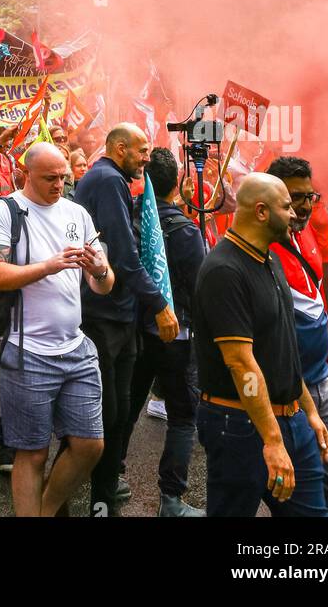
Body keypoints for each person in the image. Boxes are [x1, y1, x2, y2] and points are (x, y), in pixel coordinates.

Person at [0, 142, 113, 517]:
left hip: (76, 348)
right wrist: (49, 266)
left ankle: (46, 510)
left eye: (64, 177)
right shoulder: (4, 211)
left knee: (90, 445)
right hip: (28, 350)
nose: (59, 184)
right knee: (32, 451)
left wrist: (100, 270)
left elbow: (104, 284)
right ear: (26, 174)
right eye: (50, 178)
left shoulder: (78, 213)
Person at [192, 172, 328, 517]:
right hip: (238, 425)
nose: (297, 213)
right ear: (261, 212)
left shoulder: (270, 259)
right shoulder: (224, 270)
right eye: (287, 206)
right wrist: (272, 439)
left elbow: (279, 350)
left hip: (291, 419)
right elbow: (241, 364)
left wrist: (309, 411)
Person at [74, 124, 179, 515]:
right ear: (120, 148)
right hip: (103, 315)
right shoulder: (106, 180)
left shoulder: (112, 178)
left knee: (117, 409)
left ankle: (102, 489)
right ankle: (80, 488)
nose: (147, 158)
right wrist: (159, 303)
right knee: (107, 411)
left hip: (119, 314)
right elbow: (122, 252)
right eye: (142, 150)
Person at [266, 156, 328, 515]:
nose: (303, 206)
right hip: (285, 390)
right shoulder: (262, 249)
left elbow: (316, 303)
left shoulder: (306, 235)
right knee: (293, 493)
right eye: (293, 198)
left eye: (309, 196)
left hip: (320, 380)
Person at [121, 147, 206, 517]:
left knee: (130, 405)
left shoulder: (131, 221)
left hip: (138, 334)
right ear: (179, 184)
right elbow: (201, 288)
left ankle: (112, 475)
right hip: (177, 336)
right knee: (183, 417)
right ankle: (171, 499)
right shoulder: (187, 231)